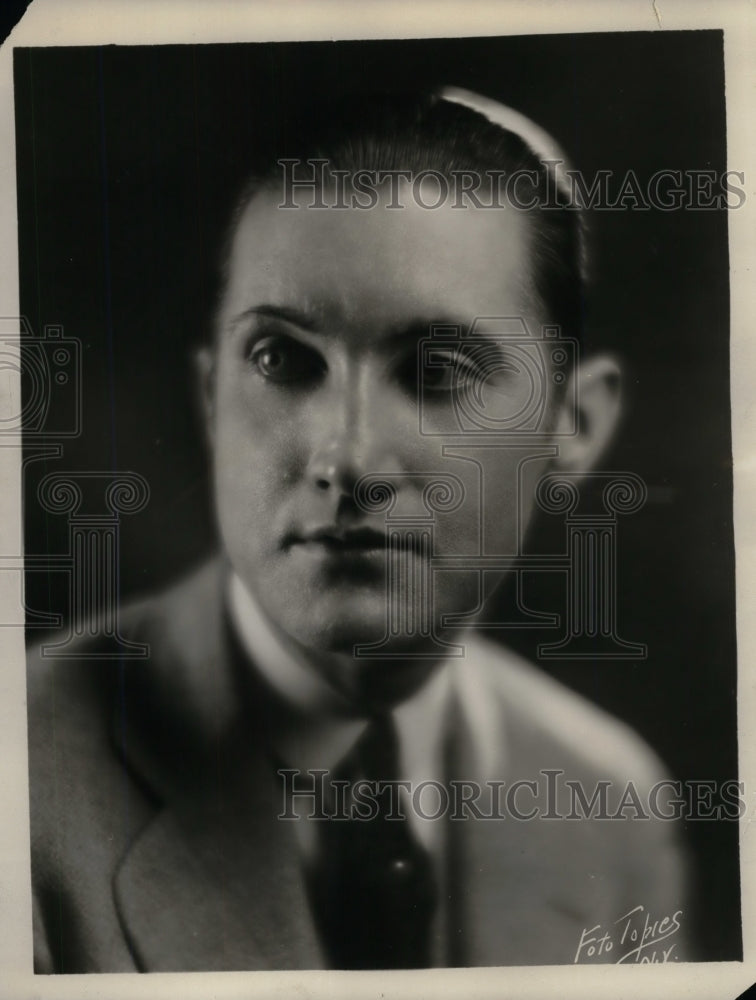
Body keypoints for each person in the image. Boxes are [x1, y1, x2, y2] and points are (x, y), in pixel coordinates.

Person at [27, 87, 692, 972]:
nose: (347, 455)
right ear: (209, 397)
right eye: (282, 360)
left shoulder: (610, 805)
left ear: (573, 422)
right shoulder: (20, 791)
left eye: (437, 371)